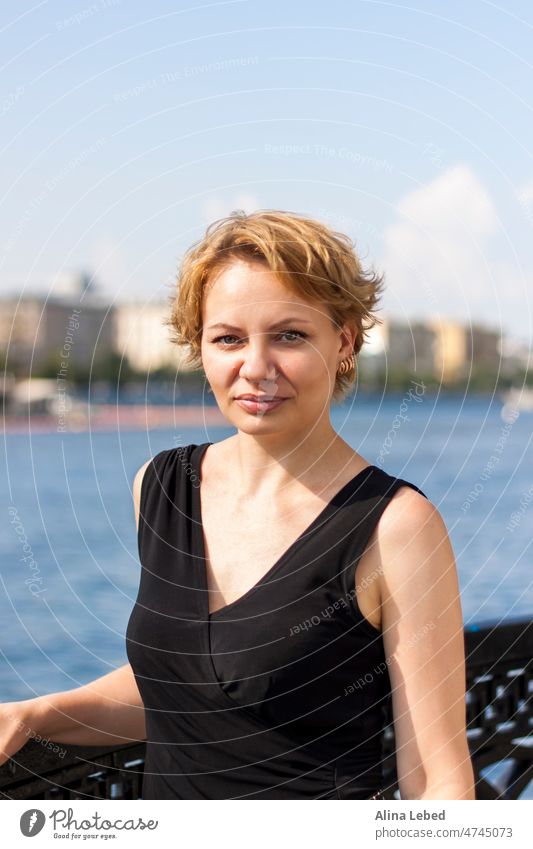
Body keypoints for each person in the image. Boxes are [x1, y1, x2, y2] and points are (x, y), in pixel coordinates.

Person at [0, 210, 475, 801]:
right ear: (199, 347)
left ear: (345, 341)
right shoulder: (161, 485)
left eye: (289, 335)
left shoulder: (396, 526)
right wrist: (36, 713)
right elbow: (188, 689)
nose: (255, 368)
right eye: (228, 338)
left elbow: (438, 782)